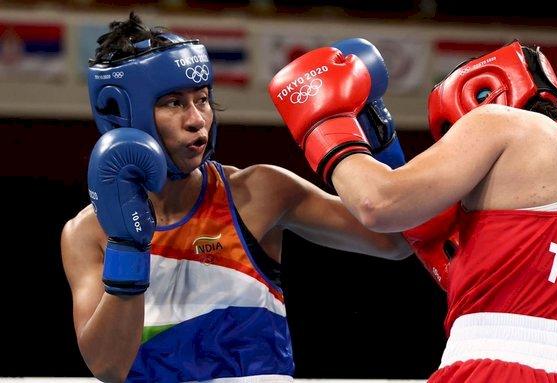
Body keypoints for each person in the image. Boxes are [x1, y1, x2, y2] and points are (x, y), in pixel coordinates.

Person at [60, 14, 411, 383]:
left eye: (203, 99)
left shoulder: (256, 193)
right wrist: (128, 247)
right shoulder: (88, 233)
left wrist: (379, 135)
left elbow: (394, 239)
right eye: (174, 104)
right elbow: (108, 367)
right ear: (122, 113)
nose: (197, 120)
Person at [269, 40, 557, 382]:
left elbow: (377, 202)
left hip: (495, 368)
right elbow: (518, 287)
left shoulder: (497, 122)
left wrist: (325, 123)